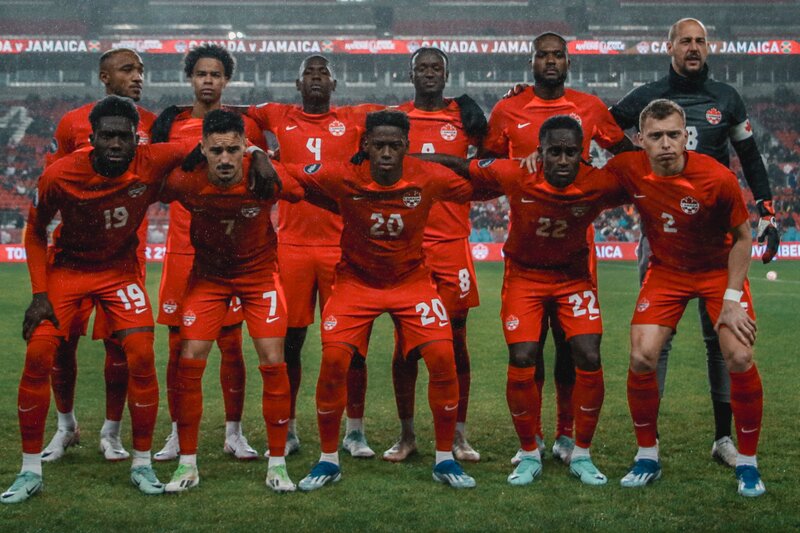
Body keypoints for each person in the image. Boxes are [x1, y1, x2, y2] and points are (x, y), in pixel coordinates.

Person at [271, 110, 477, 490]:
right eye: (378, 145)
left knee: (442, 356)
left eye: (394, 146)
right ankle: (328, 460)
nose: (385, 153)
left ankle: (444, 459)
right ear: (365, 145)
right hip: (356, 283)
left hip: (411, 282)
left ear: (406, 147)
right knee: (334, 360)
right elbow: (290, 174)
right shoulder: (343, 175)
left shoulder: (427, 175)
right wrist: (256, 156)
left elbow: (479, 184)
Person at [2, 96, 190, 503]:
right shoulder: (60, 175)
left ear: (136, 139)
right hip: (68, 270)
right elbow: (34, 232)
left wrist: (255, 153)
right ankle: (29, 470)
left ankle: (142, 463)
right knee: (39, 354)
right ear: (93, 138)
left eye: (124, 136)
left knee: (141, 353)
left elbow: (206, 144)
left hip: (119, 272)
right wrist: (39, 294)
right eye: (108, 136)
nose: (116, 144)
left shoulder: (152, 160)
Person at [609, 18, 778, 467]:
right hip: (662, 234)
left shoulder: (727, 97)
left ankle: (723, 439)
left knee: (720, 340)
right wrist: (634, 164)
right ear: (669, 47)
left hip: (716, 233)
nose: (693, 47)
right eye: (685, 41)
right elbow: (601, 127)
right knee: (654, 344)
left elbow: (750, 156)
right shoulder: (646, 97)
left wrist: (767, 210)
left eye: (700, 41)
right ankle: (651, 443)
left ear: (708, 47)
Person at [425, 115, 626, 486]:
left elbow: (642, 180)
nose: (562, 160)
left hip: (572, 281)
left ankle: (581, 452)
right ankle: (529, 451)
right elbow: (460, 165)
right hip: (525, 279)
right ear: (540, 152)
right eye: (554, 152)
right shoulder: (516, 173)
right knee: (522, 357)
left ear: (582, 154)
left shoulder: (598, 182)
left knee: (588, 354)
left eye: (570, 153)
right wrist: (408, 158)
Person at [485, 32, 633, 463]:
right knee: (528, 349)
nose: (550, 61)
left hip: (575, 254)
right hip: (526, 251)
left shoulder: (590, 107)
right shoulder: (508, 109)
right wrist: (520, 167)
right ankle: (530, 439)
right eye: (542, 55)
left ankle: (566, 435)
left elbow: (626, 156)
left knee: (573, 349)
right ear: (531, 62)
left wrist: (590, 175)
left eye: (557, 55)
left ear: (569, 62)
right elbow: (485, 163)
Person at [245, 55, 381, 458]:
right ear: (298, 83)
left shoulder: (354, 119)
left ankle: (355, 431)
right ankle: (287, 429)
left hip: (342, 248)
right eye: (310, 73)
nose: (317, 78)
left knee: (350, 346)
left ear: (334, 84)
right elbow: (236, 113)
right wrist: (256, 150)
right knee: (291, 344)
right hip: (292, 249)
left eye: (324, 73)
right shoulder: (278, 115)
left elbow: (410, 113)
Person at [159, 110, 298, 493]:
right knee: (190, 360)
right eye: (216, 150)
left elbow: (303, 190)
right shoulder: (186, 180)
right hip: (209, 279)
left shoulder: (264, 176)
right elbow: (154, 186)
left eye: (233, 150)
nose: (224, 158)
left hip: (259, 278)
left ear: (245, 149)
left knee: (273, 361)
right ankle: (187, 465)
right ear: (203, 148)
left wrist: (266, 158)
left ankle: (278, 465)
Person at [150, 44, 268, 462]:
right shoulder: (171, 125)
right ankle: (177, 432)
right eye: (201, 73)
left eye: (216, 74)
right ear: (190, 77)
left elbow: (262, 172)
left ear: (226, 80)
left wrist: (257, 152)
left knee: (231, 345)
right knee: (176, 346)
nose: (208, 81)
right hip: (182, 249)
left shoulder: (243, 127)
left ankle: (234, 432)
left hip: (228, 253)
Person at [41, 48, 156, 463]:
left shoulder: (153, 124)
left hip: (123, 257)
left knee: (120, 347)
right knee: (61, 344)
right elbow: (53, 182)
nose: (138, 76)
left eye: (141, 70)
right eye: (127, 69)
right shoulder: (72, 122)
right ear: (104, 77)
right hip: (72, 257)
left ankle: (112, 432)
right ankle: (65, 426)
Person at [384, 47, 486, 463]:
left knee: (456, 341)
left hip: (451, 245)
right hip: (407, 247)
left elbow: (489, 160)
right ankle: (407, 434)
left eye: (436, 68)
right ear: (410, 75)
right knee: (405, 344)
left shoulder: (465, 119)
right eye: (422, 67)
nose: (429, 73)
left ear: (447, 75)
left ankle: (459, 434)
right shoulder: (395, 118)